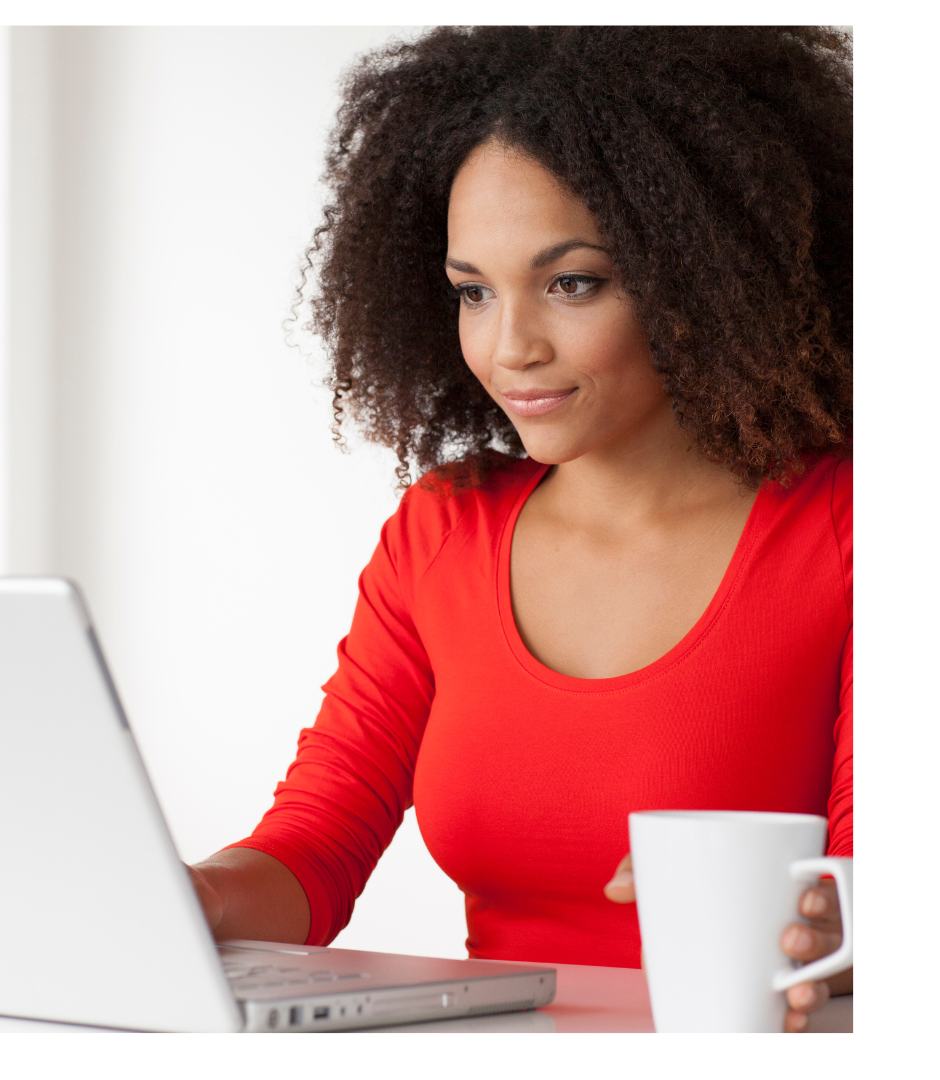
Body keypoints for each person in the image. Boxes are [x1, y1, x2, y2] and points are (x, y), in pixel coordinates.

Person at [188, 26, 852, 1033]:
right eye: (473, 292)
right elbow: (313, 847)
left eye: (572, 282)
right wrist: (194, 896)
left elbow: (873, 883)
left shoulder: (851, 531)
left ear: (707, 269)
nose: (510, 348)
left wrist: (822, 925)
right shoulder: (441, 533)